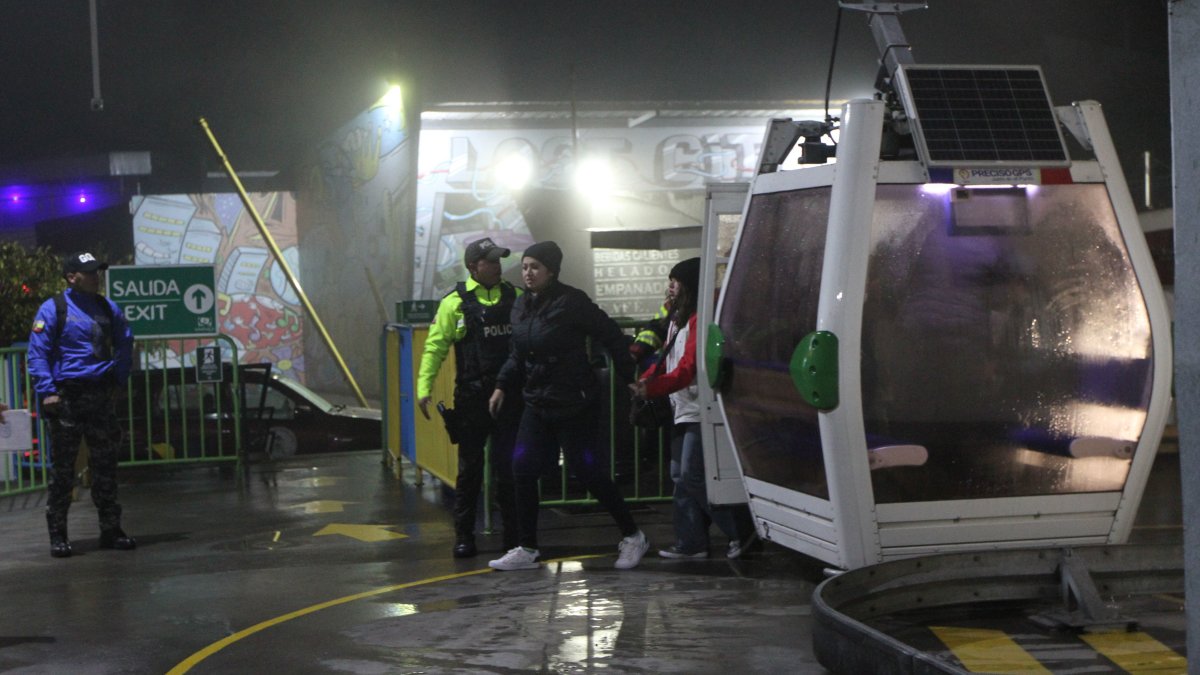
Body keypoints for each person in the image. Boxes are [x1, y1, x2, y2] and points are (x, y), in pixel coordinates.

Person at [486, 241, 650, 571]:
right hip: (537, 401)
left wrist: (629, 374)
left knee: (588, 470)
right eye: (525, 267)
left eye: (535, 267)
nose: (528, 273)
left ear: (552, 271)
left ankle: (633, 536)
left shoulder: (572, 302)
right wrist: (502, 385)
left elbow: (610, 334)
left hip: (574, 402)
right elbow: (517, 353)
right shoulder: (521, 306)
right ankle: (527, 547)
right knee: (522, 468)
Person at [630, 257, 753, 559]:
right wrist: (648, 379)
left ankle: (742, 532)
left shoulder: (699, 318)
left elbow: (690, 368)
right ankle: (691, 541)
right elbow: (667, 360)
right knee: (679, 476)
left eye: (675, 281)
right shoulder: (677, 317)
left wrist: (653, 386)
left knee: (692, 475)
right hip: (683, 406)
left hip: (700, 408)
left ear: (689, 284)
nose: (670, 287)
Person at [417, 236, 522, 558]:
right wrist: (424, 388)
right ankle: (464, 536)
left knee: (510, 471)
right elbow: (435, 347)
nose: (497, 266)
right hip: (473, 398)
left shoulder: (516, 297)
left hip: (509, 398)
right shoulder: (454, 303)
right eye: (490, 261)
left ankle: (515, 538)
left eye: (498, 260)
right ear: (472, 266)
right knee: (469, 471)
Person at [27, 251, 136, 558]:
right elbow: (38, 352)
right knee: (63, 470)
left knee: (105, 464)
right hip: (67, 398)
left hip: (100, 396)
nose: (95, 277)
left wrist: (119, 377)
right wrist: (48, 391)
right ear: (71, 277)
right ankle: (58, 533)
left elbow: (125, 339)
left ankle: (111, 528)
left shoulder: (106, 306)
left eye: (97, 271)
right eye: (89, 273)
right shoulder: (53, 309)